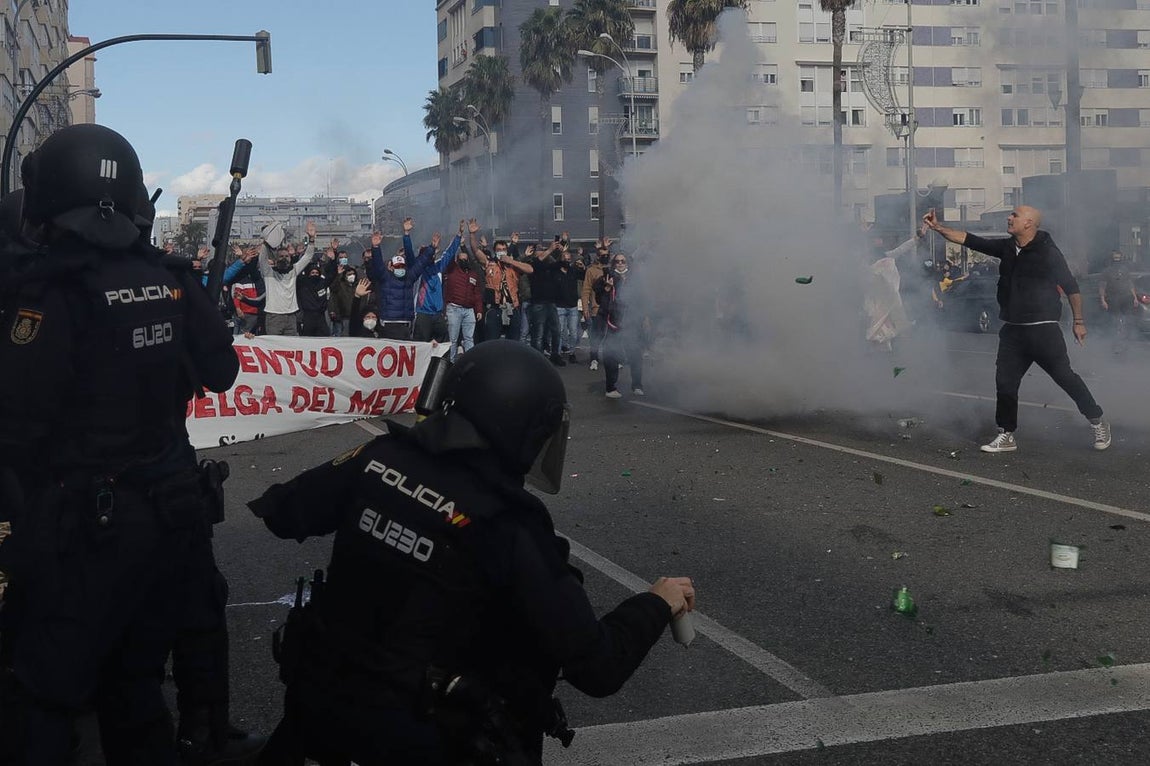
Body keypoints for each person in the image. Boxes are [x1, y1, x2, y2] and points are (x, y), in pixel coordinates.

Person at [248, 340, 695, 766]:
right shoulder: (507, 524)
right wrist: (656, 602)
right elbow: (597, 666)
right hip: (428, 737)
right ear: (523, 427)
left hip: (324, 705)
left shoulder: (379, 455)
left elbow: (284, 513)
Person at [0, 124, 240, 765]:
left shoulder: (52, 292)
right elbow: (220, 371)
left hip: (85, 525)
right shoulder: (172, 278)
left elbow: (18, 422)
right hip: (170, 509)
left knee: (44, 692)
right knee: (134, 686)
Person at [923, 206, 1110, 452]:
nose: (1009, 218)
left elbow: (1072, 288)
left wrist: (1078, 322)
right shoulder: (1007, 247)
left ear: (1029, 223)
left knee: (1065, 378)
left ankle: (1097, 420)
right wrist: (938, 228)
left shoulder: (1049, 253)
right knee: (1005, 382)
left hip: (1043, 330)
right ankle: (1007, 433)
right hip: (1013, 331)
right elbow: (970, 240)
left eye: (1015, 215)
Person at [595, 252, 646, 398]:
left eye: (623, 261)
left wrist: (644, 317)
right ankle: (611, 387)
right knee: (611, 354)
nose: (620, 263)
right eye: (617, 261)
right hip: (614, 322)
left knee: (635, 354)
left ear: (627, 263)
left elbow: (642, 299)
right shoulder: (606, 278)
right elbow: (600, 300)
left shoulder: (635, 280)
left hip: (632, 322)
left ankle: (637, 385)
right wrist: (607, 288)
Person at [259, 220, 317, 336]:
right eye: (280, 257)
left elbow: (308, 256)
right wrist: (267, 242)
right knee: (274, 348)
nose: (284, 259)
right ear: (275, 259)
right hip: (273, 316)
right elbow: (262, 258)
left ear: (290, 258)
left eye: (286, 256)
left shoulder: (294, 271)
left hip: (291, 316)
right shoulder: (268, 272)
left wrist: (311, 239)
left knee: (290, 349)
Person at [582, 240, 611, 371]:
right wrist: (585, 308)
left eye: (607, 254)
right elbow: (586, 290)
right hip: (597, 308)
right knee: (596, 336)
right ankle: (594, 359)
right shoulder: (591, 270)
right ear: (598, 256)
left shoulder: (613, 269)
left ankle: (612, 358)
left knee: (611, 336)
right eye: (603, 255)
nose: (606, 257)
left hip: (612, 309)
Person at [295, 250, 337, 337]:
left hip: (321, 316)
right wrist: (298, 256)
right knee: (307, 339)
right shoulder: (303, 283)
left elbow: (332, 274)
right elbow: (295, 272)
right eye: (312, 273)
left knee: (324, 337)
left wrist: (333, 260)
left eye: (317, 273)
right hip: (307, 316)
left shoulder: (322, 282)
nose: (315, 274)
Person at [1099, 250, 1139, 338]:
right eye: (1115, 258)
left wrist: (1135, 297)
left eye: (1118, 258)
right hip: (1113, 298)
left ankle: (1126, 334)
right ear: (1112, 259)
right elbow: (1102, 286)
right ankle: (1115, 335)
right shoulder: (1107, 271)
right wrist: (1103, 300)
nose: (1117, 260)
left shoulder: (1125, 270)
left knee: (1127, 317)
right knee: (1115, 318)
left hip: (1126, 297)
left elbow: (1130, 284)